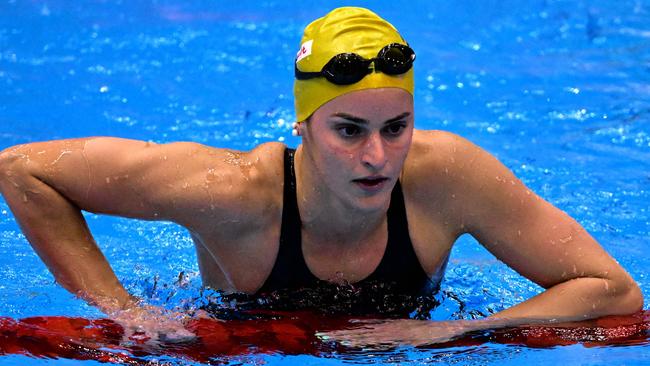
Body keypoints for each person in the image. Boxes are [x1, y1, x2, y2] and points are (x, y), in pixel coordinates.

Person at [0, 7, 642, 346]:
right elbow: (23, 170)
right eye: (348, 130)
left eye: (396, 127)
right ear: (302, 128)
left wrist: (451, 330)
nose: (377, 157)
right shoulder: (228, 192)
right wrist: (125, 313)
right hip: (239, 335)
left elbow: (613, 290)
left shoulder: (447, 176)